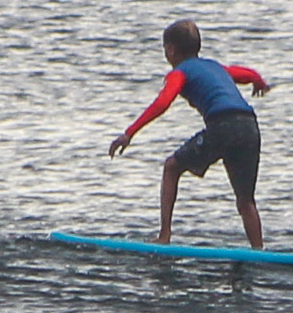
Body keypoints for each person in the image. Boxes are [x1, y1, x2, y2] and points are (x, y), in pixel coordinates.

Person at [108, 19, 271, 248]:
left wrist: (130, 133)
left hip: (223, 126)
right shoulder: (215, 66)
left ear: (172, 50)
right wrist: (259, 82)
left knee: (171, 167)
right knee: (245, 200)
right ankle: (258, 250)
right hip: (249, 127)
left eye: (165, 49)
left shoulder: (179, 73)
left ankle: (164, 236)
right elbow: (246, 73)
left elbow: (162, 103)